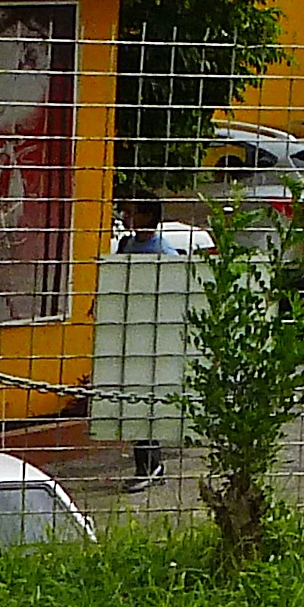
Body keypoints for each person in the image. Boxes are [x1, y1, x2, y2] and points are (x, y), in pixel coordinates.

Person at [115, 192, 188, 488]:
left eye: (132, 212)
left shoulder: (164, 253)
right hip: (128, 333)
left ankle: (150, 465)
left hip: (153, 338)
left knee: (145, 402)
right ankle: (146, 463)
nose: (126, 218)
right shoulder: (126, 245)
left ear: (148, 216)